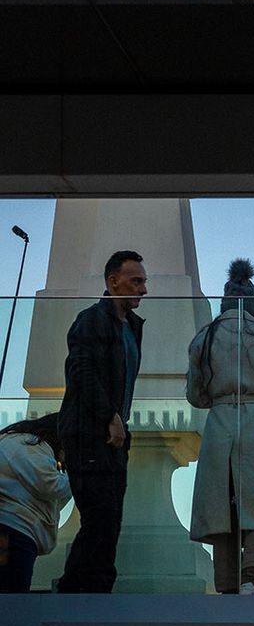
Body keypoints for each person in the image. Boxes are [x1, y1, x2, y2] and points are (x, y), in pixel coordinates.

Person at [185, 257, 254, 594]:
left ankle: (226, 585)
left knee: (221, 508)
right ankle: (253, 576)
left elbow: (195, 395)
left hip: (220, 422)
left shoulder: (203, 338)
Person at [56, 246, 146, 593]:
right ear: (113, 282)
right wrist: (110, 416)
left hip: (114, 438)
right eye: (135, 281)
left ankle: (95, 595)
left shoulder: (132, 326)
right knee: (100, 519)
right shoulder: (92, 319)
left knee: (110, 522)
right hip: (89, 434)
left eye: (143, 281)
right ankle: (75, 594)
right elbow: (81, 370)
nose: (143, 289)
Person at [0, 413, 70, 593]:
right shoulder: (28, 444)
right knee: (13, 597)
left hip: (13, 530)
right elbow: (49, 485)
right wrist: (78, 476)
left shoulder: (17, 443)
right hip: (14, 531)